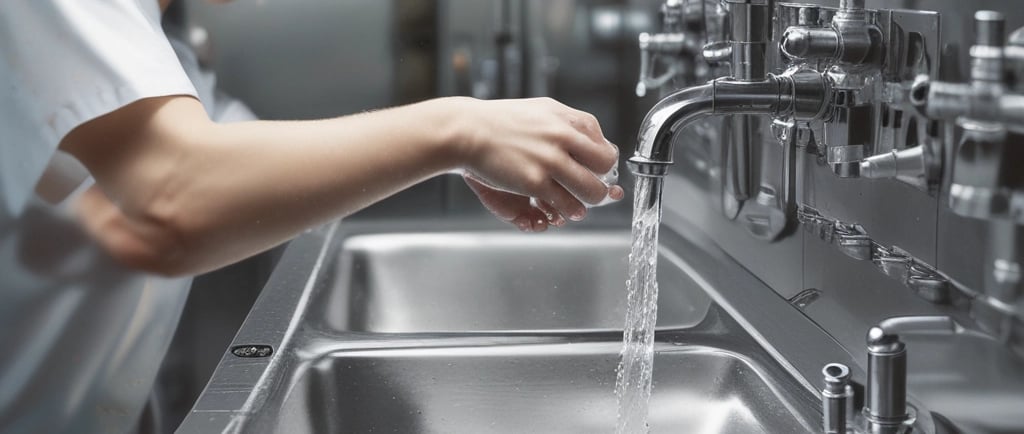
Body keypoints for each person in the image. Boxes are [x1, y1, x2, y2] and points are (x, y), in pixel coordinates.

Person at [0, 0, 623, 432]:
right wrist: (459, 128)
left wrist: (462, 155)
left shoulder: (162, 51)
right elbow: (175, 198)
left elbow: (248, 176)